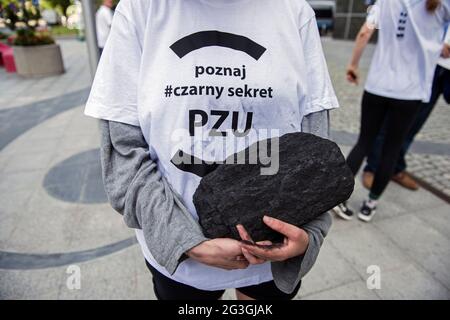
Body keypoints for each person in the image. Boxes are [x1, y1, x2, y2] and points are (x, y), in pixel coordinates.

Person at [85, 0, 339, 300]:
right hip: (181, 262)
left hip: (272, 255)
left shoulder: (294, 12)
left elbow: (317, 154)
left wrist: (309, 235)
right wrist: (183, 240)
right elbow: (123, 152)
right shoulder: (141, 9)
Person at [333, 0, 450, 223]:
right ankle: (370, 204)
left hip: (378, 85)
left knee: (364, 142)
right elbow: (445, 50)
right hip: (411, 92)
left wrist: (353, 65)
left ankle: (338, 198)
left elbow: (365, 32)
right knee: (392, 149)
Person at [362, 29, 450, 191]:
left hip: (446, 70)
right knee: (390, 124)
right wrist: (437, 45)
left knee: (413, 125)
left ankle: (395, 167)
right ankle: (372, 168)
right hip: (425, 63)